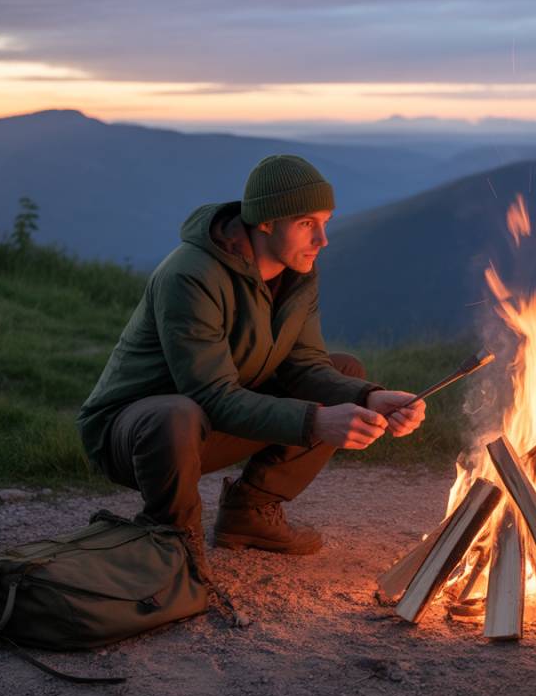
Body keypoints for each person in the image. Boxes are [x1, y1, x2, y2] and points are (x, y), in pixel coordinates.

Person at [76, 154, 426, 577]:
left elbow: (305, 366)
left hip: (209, 421)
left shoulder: (297, 274)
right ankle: (173, 545)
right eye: (306, 224)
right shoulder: (190, 275)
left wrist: (370, 397)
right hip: (135, 434)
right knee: (177, 413)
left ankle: (251, 513)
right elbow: (209, 395)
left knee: (346, 372)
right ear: (266, 222)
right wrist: (317, 422)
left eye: (326, 221)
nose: (323, 239)